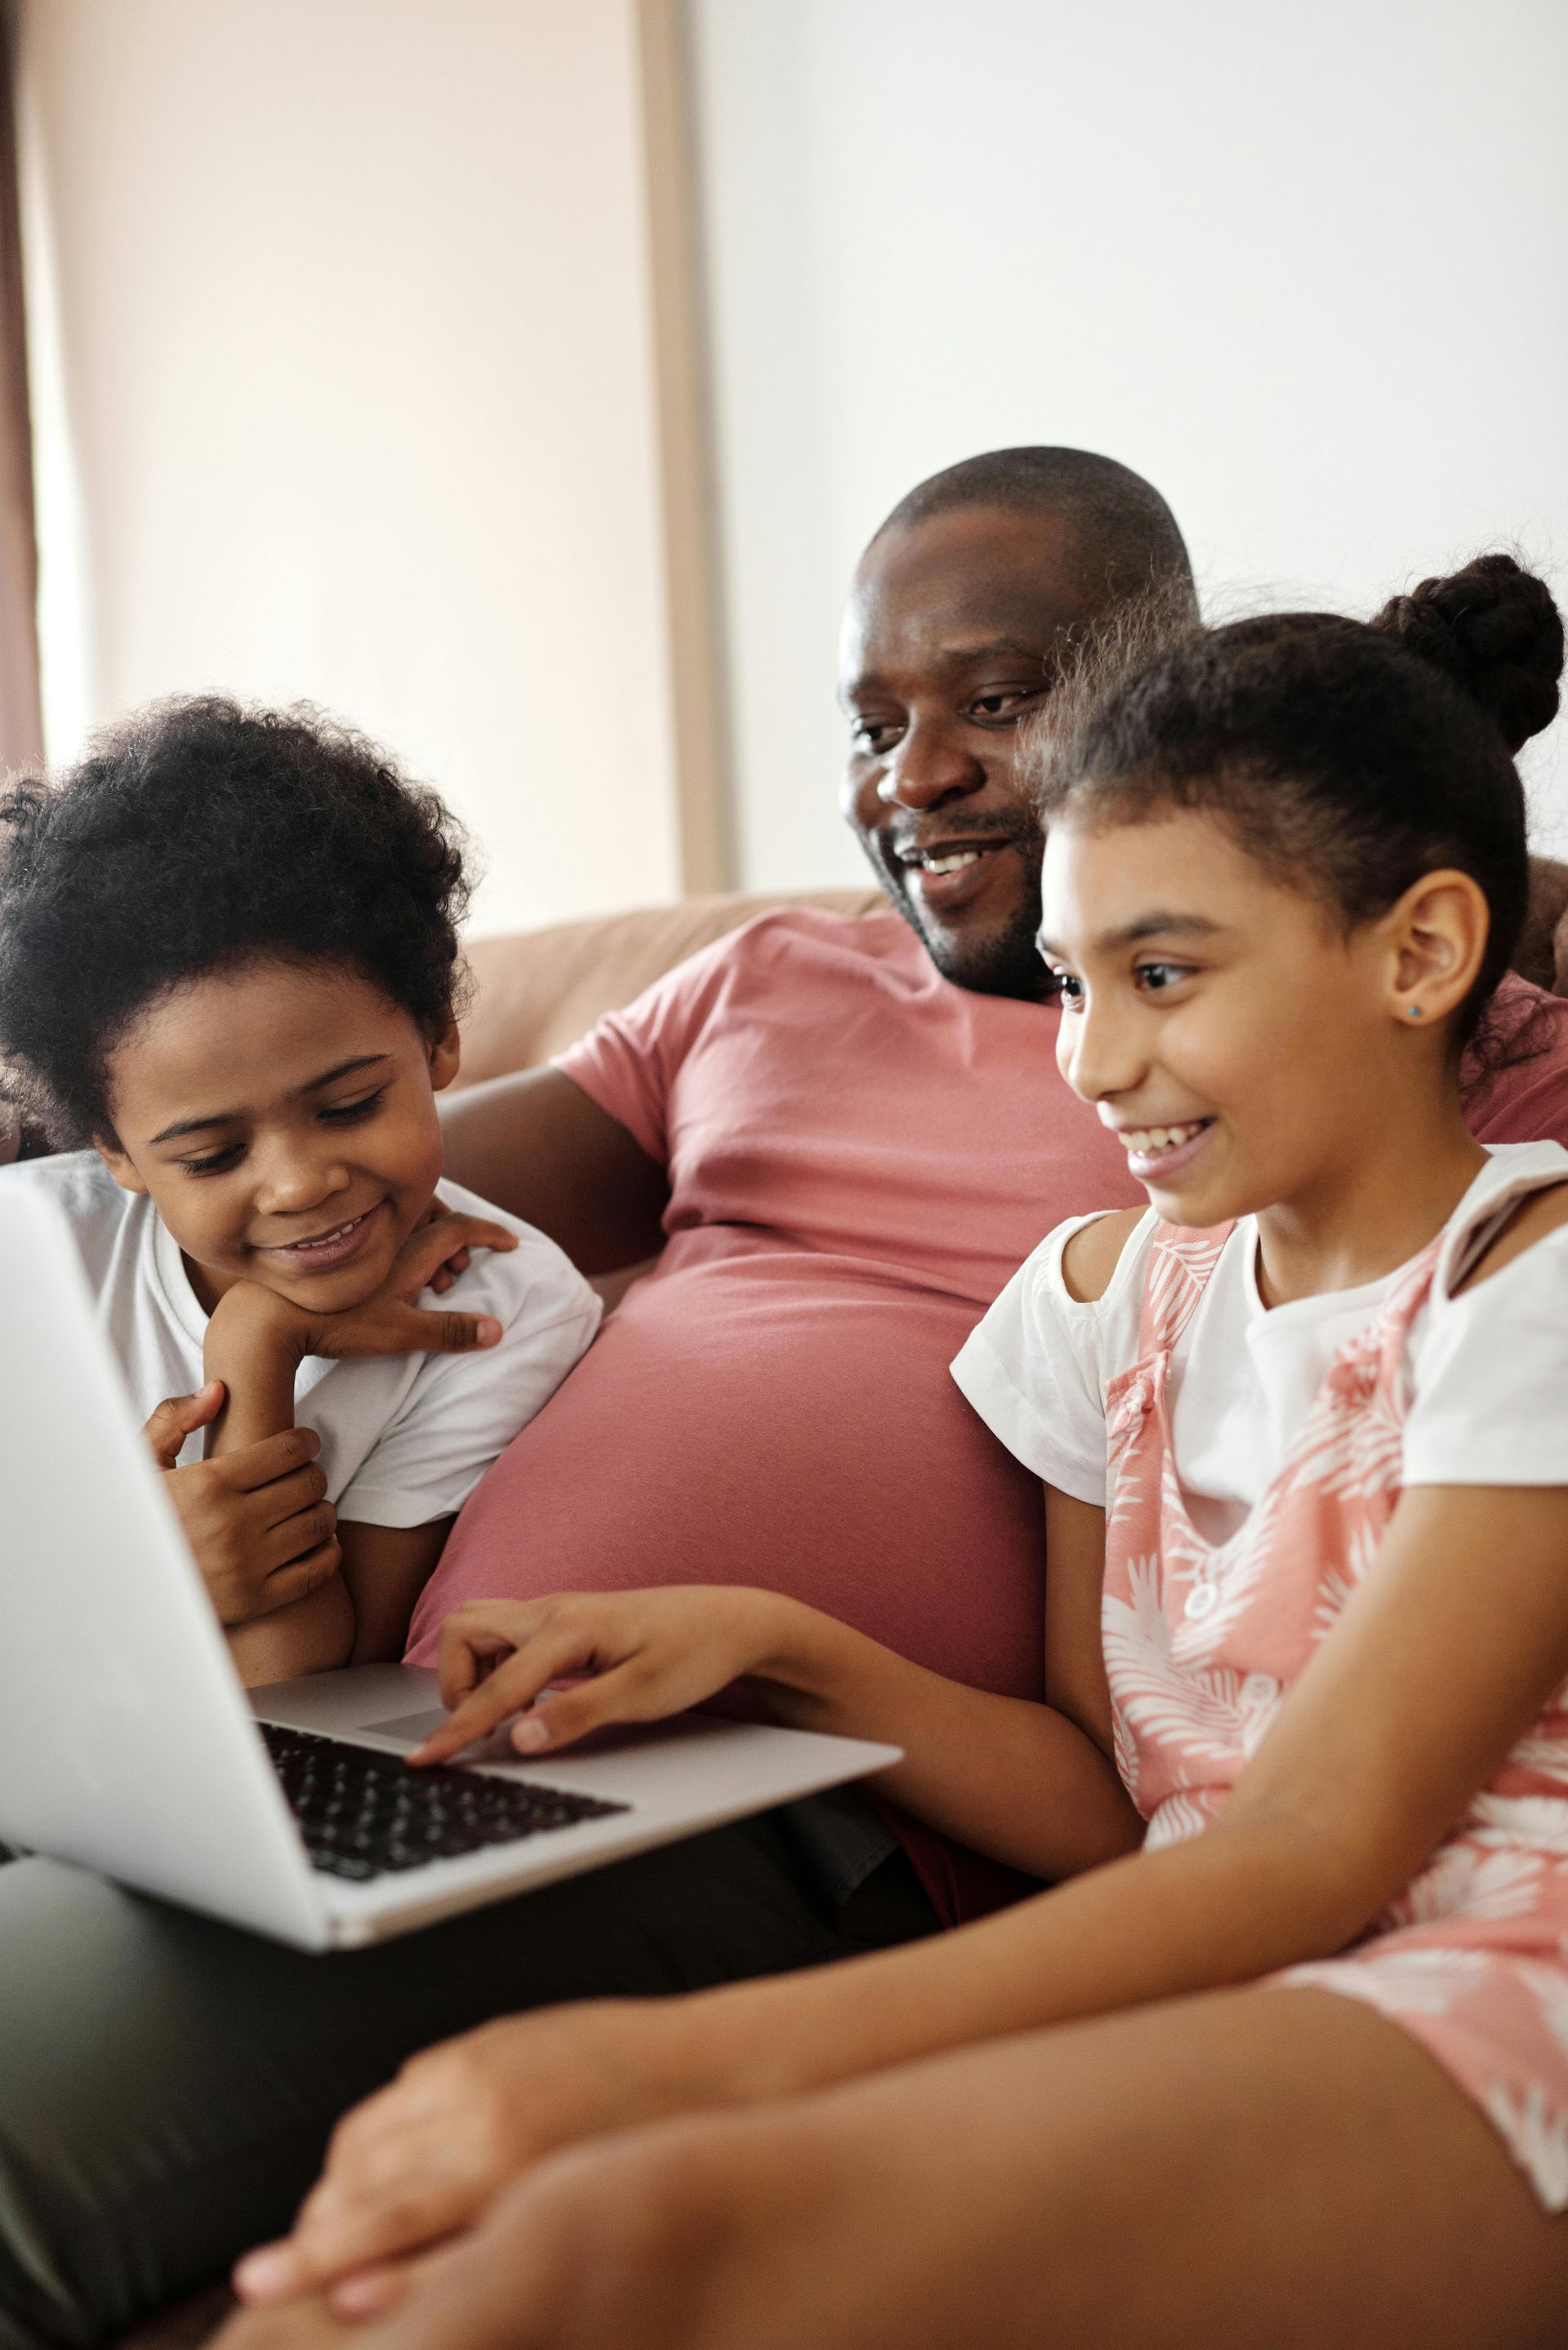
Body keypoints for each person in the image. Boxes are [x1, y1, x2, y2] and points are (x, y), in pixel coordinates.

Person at [2, 453, 1568, 2350]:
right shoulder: (1005, 1209)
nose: (911, 774)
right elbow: (315, 1175)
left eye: (995, 703)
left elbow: (1305, 1834)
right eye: (871, 722)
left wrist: (664, 2061)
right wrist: (761, 1637)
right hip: (500, 1735)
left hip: (873, 1853)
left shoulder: (1451, 1137)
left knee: (548, 2233)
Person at [0, 698, 600, 1680]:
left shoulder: (505, 1310)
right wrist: (125, 1575)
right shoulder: (29, 1259)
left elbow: (303, 1693)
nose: (298, 1184)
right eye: (210, 1158)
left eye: (351, 1105)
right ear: (116, 1150)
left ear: (439, 1038)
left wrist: (257, 1340)